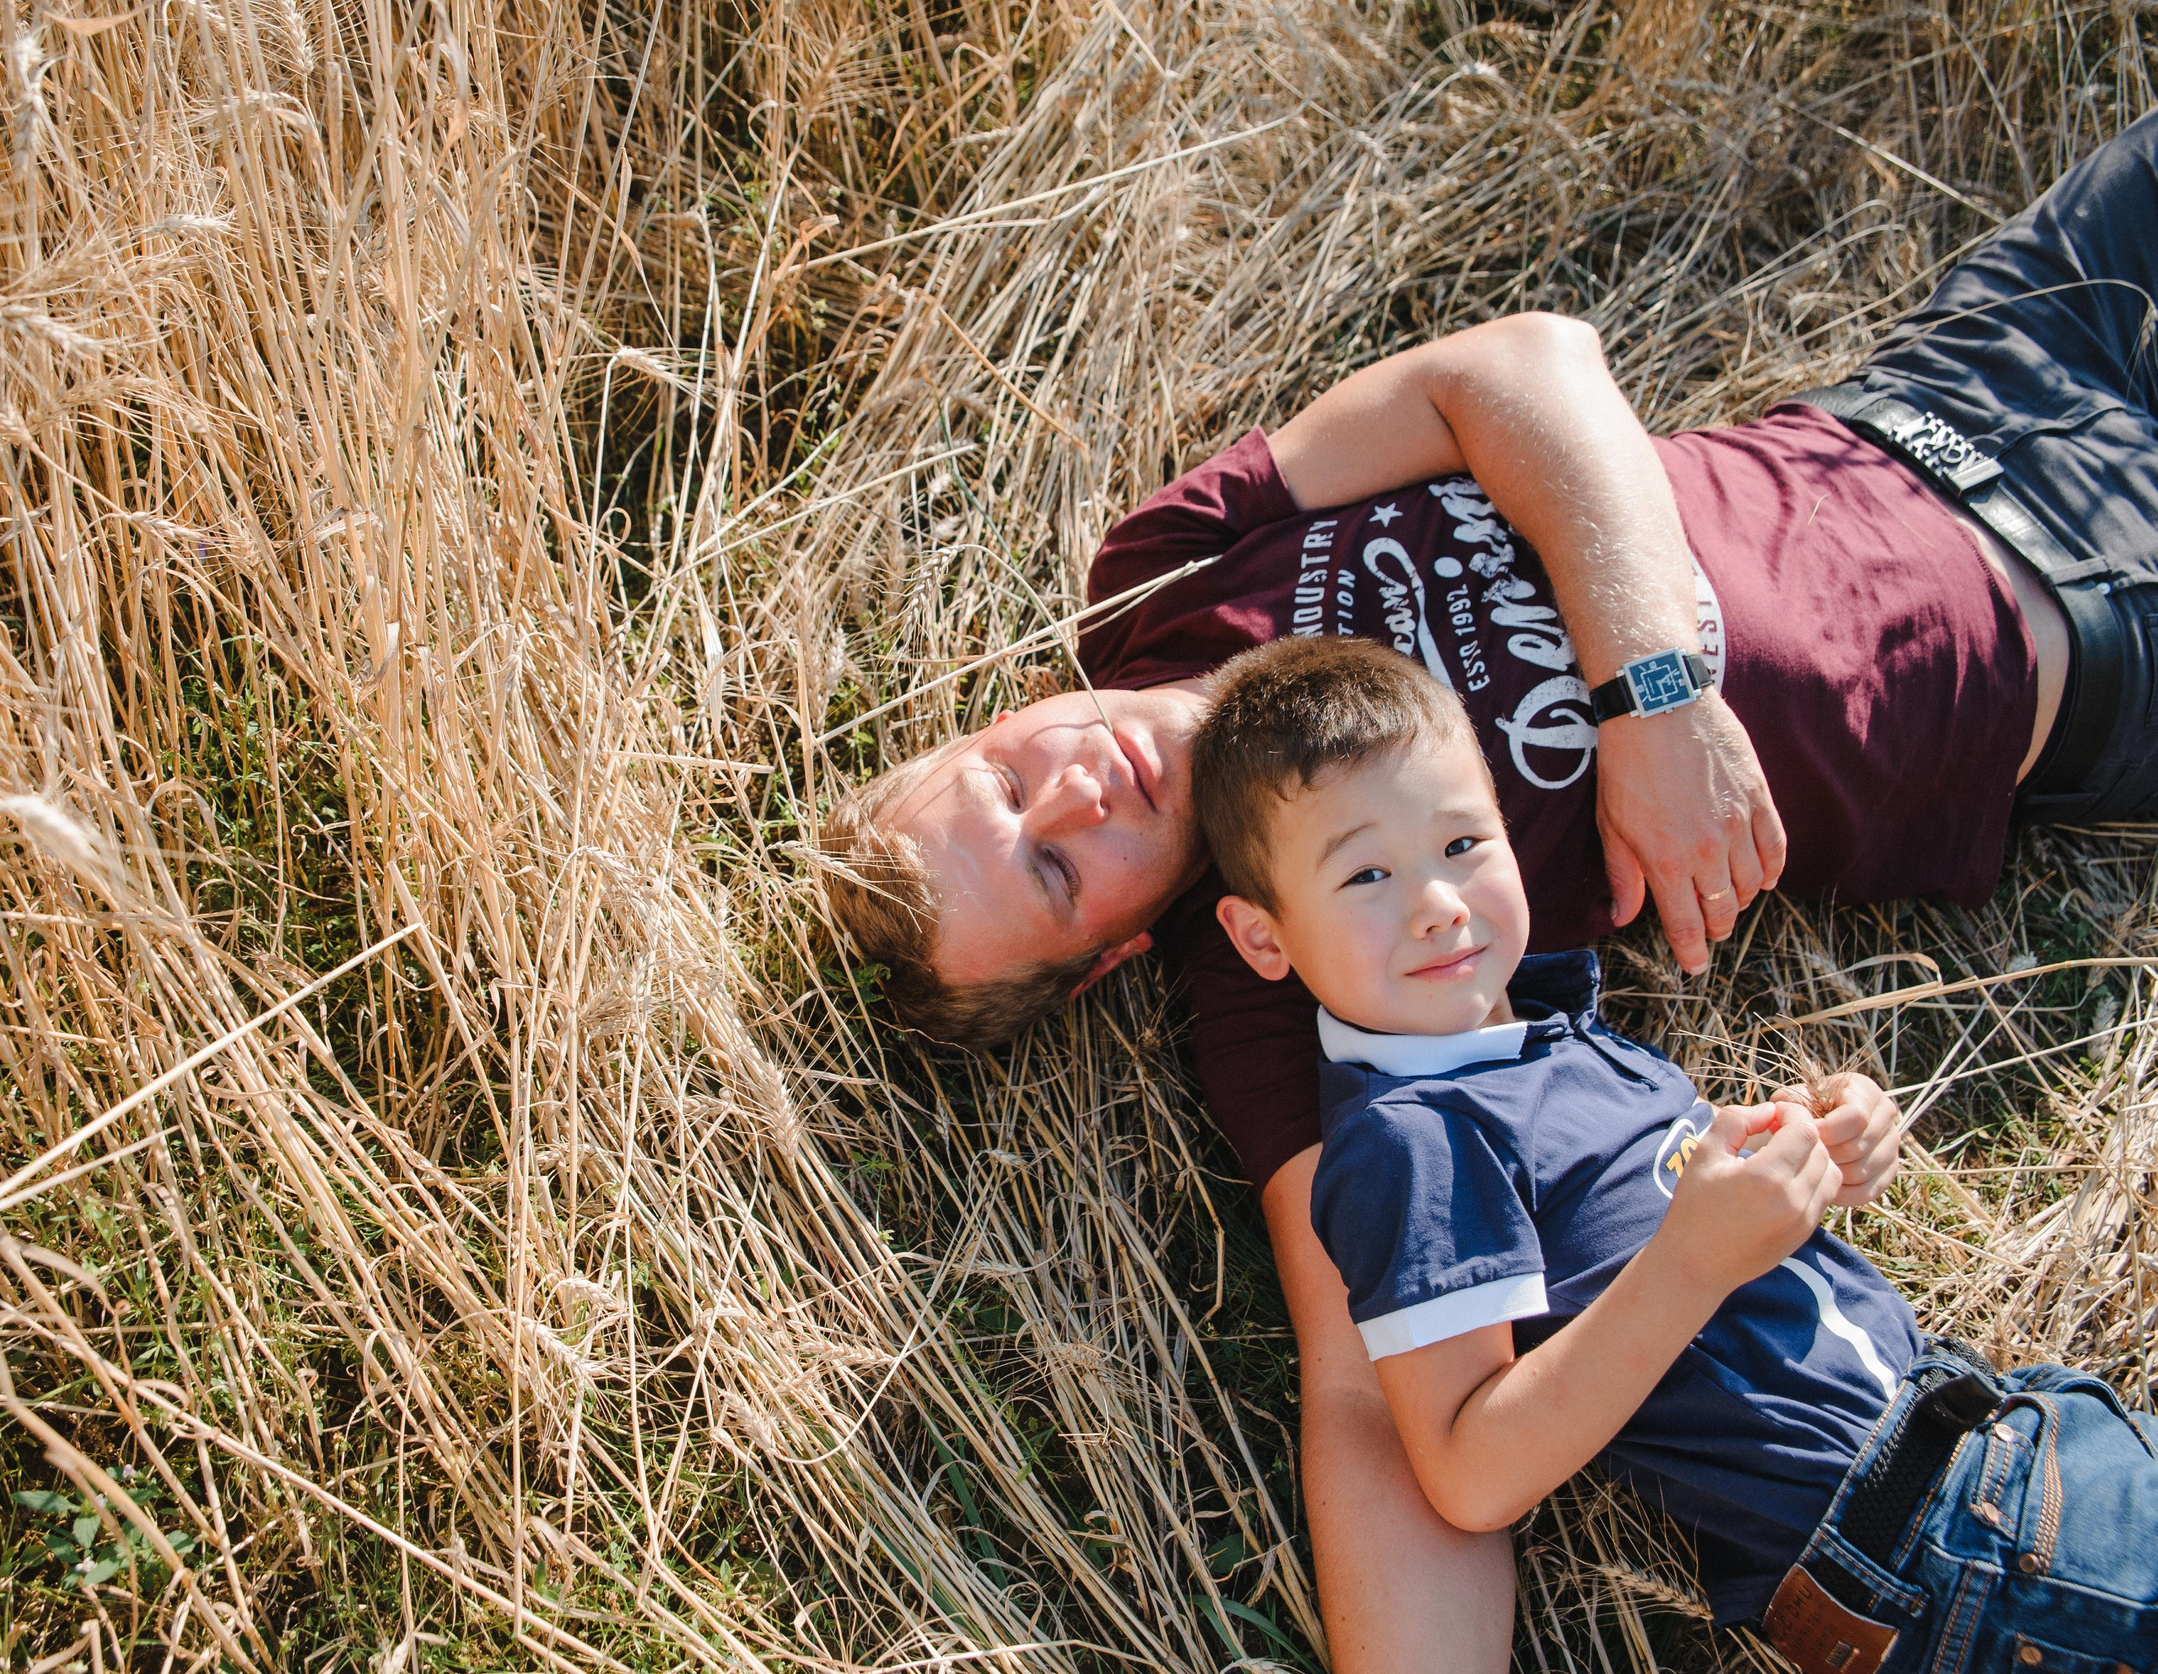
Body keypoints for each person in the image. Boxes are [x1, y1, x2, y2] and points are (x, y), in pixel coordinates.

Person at [819, 113, 2158, 1667]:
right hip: (2073, 649)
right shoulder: (1308, 972)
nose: (1072, 787)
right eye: (1056, 868)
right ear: (1116, 952)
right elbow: (1374, 1403)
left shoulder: (1162, 579)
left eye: (999, 774)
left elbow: (1516, 369)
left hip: (1962, 382)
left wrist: (1652, 687)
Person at [1192, 632, 2158, 1670]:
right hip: (1946, 1548)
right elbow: (1469, 1472)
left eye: (1463, 844)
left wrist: (1818, 1151)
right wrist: (1693, 1258)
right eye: (1367, 873)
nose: (1438, 903)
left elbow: (1676, 1222)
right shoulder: (1415, 1140)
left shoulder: (1537, 1036)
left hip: (2015, 1441)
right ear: (1262, 938)